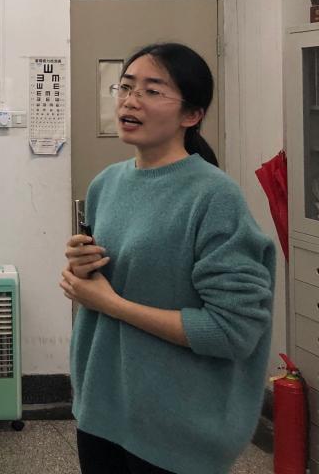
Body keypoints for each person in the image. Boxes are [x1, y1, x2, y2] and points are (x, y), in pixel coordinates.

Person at [61, 43, 275, 474]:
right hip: (102, 409)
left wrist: (111, 303)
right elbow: (120, 279)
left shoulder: (214, 197)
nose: (130, 100)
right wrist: (82, 269)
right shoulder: (106, 184)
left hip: (176, 427)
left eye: (152, 91)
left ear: (191, 115)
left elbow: (232, 331)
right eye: (125, 87)